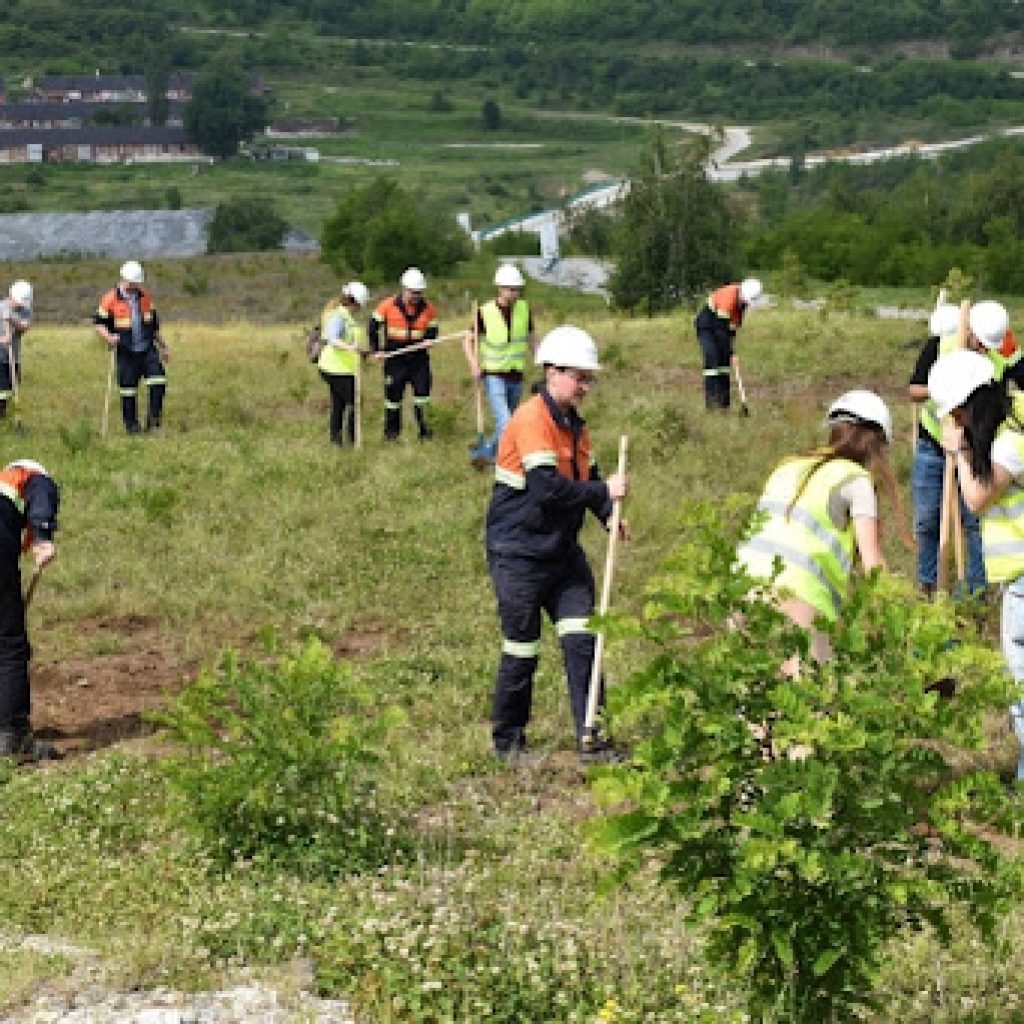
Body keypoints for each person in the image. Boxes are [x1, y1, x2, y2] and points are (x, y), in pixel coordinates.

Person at [485, 325, 628, 764]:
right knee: (522, 647)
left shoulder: (575, 428)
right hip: (519, 554)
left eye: (589, 378)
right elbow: (547, 488)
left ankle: (593, 740)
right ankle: (508, 743)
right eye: (578, 377)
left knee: (584, 641)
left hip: (563, 554)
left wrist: (607, 513)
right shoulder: (531, 419)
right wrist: (603, 492)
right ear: (551, 372)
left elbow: (586, 480)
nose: (585, 386)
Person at [737, 389, 902, 667]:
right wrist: (903, 619)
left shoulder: (788, 466)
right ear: (877, 444)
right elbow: (873, 566)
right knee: (810, 701)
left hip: (742, 589)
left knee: (749, 699)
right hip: (797, 594)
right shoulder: (856, 481)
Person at [927, 349, 1024, 781]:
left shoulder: (1012, 437)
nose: (958, 422)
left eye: (960, 414)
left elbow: (977, 498)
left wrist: (961, 454)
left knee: (1020, 686)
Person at [908, 300, 1024, 596]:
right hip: (935, 444)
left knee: (973, 520)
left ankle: (973, 590)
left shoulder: (1010, 433)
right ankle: (930, 583)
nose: (986, 350)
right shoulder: (942, 347)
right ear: (968, 330)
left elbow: (976, 500)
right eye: (982, 343)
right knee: (927, 520)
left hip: (977, 448)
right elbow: (914, 389)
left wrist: (961, 448)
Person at [0, 459, 59, 762]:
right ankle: (13, 736)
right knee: (9, 645)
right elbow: (42, 497)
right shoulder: (29, 476)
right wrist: (43, 536)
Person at [463, 263, 537, 464]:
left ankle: (488, 453)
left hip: (516, 375)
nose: (514, 294)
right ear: (500, 288)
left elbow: (531, 338)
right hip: (494, 375)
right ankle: (498, 459)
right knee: (506, 423)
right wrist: (473, 365)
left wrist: (540, 359)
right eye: (511, 289)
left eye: (517, 290)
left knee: (509, 423)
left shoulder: (524, 309)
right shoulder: (484, 312)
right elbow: (468, 340)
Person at [93, 260, 169, 435]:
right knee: (128, 391)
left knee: (158, 382)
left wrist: (164, 347)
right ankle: (132, 428)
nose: (134, 286)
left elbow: (154, 326)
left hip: (147, 349)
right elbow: (99, 324)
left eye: (136, 283)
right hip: (126, 351)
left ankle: (154, 423)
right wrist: (109, 337)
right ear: (123, 279)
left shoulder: (145, 297)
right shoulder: (109, 299)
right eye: (132, 282)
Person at [369, 267, 438, 441]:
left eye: (419, 293)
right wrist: (376, 350)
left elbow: (433, 328)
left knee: (422, 397)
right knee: (393, 399)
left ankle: (425, 433)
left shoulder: (429, 308)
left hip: (419, 359)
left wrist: (430, 339)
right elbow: (372, 328)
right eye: (413, 293)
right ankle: (391, 435)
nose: (416, 296)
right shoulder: (387, 305)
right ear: (404, 289)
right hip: (395, 358)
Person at [693, 277, 762, 410]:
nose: (746, 304)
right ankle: (712, 406)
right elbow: (720, 330)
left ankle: (724, 405)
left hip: (721, 329)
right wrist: (732, 352)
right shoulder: (728, 298)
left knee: (724, 365)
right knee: (712, 362)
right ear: (743, 293)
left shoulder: (742, 304)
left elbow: (731, 329)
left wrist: (730, 352)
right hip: (707, 326)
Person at [317, 281, 370, 446]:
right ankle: (352, 441)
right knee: (355, 403)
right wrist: (352, 349)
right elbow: (333, 339)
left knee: (339, 405)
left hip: (342, 368)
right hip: (335, 369)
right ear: (356, 302)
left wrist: (360, 351)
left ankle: (337, 442)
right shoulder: (339, 317)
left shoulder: (345, 316)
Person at [0, 280, 33, 421]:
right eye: (18, 302)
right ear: (12, 296)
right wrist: (1, 340)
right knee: (2, 390)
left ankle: (9, 417)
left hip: (13, 357)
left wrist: (12, 320)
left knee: (13, 388)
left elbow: (25, 327)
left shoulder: (26, 311)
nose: (20, 305)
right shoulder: (1, 307)